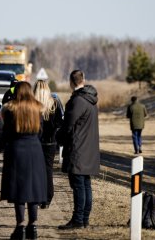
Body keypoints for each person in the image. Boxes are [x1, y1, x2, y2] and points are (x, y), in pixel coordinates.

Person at [0, 81, 46, 240]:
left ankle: (20, 226)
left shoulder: (10, 109)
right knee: (34, 188)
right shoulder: (38, 108)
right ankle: (33, 226)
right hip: (35, 150)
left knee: (19, 190)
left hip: (16, 150)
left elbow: (5, 133)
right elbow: (41, 132)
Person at [56, 70, 100, 230]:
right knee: (85, 184)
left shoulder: (78, 101)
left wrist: (58, 138)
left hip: (78, 149)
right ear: (83, 80)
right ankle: (84, 219)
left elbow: (68, 125)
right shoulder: (92, 100)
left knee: (79, 186)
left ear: (71, 82)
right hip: (89, 148)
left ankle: (78, 220)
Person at [33, 79, 63, 209]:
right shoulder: (54, 104)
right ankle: (48, 197)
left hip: (36, 141)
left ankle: (38, 196)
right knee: (48, 170)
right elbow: (59, 123)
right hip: (50, 142)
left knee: (36, 170)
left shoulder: (33, 105)